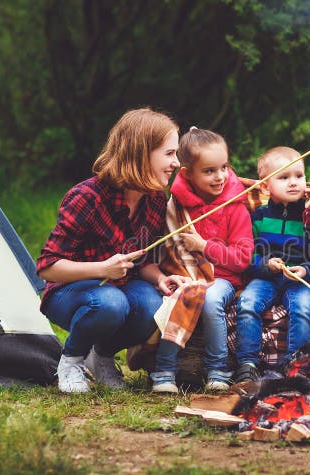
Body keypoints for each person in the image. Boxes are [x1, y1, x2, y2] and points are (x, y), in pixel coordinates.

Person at [37, 108, 190, 393]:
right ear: (141, 152)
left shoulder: (155, 199)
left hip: (118, 288)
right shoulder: (87, 197)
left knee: (152, 304)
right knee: (110, 303)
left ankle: (102, 355)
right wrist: (102, 269)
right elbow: (47, 266)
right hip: (69, 293)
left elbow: (141, 260)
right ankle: (71, 361)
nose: (176, 163)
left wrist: (159, 279)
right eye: (169, 154)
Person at [149, 127, 253, 393]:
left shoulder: (235, 207)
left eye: (224, 167)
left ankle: (218, 368)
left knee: (209, 298)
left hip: (223, 279)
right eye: (209, 171)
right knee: (180, 296)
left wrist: (204, 246)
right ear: (187, 174)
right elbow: (168, 248)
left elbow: (242, 259)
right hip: (186, 274)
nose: (219, 176)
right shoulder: (177, 207)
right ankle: (163, 371)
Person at [233, 147, 310, 383]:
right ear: (265, 186)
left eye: (298, 176)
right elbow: (245, 255)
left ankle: (294, 367)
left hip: (300, 279)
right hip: (266, 276)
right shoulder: (259, 217)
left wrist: (307, 269)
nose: (293, 183)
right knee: (247, 302)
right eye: (284, 177)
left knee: (303, 306)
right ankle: (247, 363)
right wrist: (265, 264)